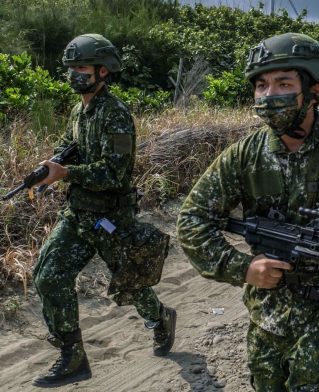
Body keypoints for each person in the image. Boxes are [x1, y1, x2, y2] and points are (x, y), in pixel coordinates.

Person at [176, 32, 319, 391]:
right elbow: (192, 220)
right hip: (272, 322)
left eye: (283, 83)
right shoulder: (244, 156)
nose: (269, 96)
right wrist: (244, 268)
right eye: (261, 85)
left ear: (314, 90)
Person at [31, 34, 175, 387]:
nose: (74, 74)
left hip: (109, 217)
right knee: (48, 276)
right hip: (78, 213)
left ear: (102, 71)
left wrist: (66, 173)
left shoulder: (116, 115)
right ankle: (73, 357)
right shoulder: (80, 111)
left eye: (81, 68)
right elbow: (69, 146)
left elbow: (115, 173)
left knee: (130, 282)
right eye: (71, 68)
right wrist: (50, 167)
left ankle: (159, 319)